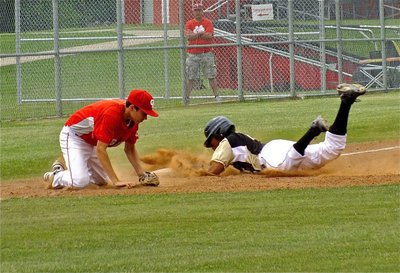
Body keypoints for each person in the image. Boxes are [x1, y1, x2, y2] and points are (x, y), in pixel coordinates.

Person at [203, 83, 367, 175]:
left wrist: (196, 176)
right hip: (277, 149)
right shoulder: (235, 143)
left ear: (220, 133)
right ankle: (346, 101)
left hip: (269, 154)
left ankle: (313, 130)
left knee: (284, 167)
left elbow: (214, 171)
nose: (211, 146)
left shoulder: (227, 141)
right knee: (332, 149)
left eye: (211, 141)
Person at [43, 89, 160, 189]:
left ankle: (77, 166)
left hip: (91, 140)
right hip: (74, 137)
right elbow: (100, 150)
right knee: (80, 181)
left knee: (102, 181)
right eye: (144, 113)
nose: (146, 118)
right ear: (133, 108)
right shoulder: (112, 114)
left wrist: (141, 174)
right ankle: (56, 174)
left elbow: (129, 149)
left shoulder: (133, 121)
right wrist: (116, 181)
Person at [185, 2, 220, 102]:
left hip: (206, 53)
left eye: (199, 10)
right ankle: (186, 97)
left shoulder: (207, 22)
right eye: (196, 10)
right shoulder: (189, 23)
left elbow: (210, 35)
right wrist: (200, 34)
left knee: (211, 75)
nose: (197, 13)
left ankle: (216, 96)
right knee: (190, 76)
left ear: (202, 11)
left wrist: (196, 34)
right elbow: (188, 35)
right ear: (193, 12)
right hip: (193, 53)